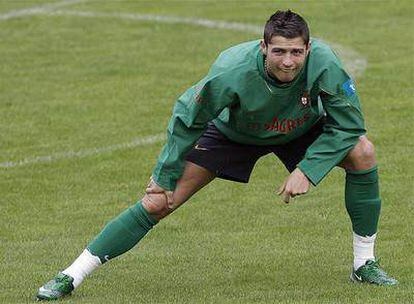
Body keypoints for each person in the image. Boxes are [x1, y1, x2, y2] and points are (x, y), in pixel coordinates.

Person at [36, 9, 398, 301]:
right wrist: (163, 176)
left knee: (362, 152)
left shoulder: (325, 63)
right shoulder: (232, 70)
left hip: (298, 129)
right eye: (279, 51)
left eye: (296, 52)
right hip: (233, 133)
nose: (288, 62)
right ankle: (71, 275)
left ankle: (363, 263)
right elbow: (187, 117)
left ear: (308, 48)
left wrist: (308, 168)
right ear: (263, 46)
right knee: (159, 203)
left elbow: (349, 125)